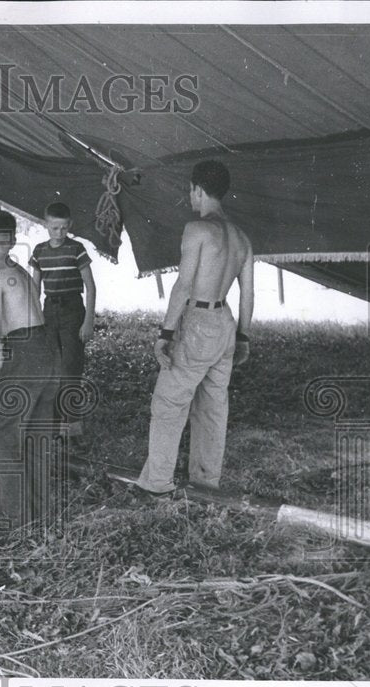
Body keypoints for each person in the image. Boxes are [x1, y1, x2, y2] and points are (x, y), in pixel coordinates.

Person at [136, 160, 254, 495]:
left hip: (199, 321)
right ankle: (206, 482)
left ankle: (157, 483)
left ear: (197, 189)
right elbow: (249, 293)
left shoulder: (198, 230)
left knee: (169, 403)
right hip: (225, 322)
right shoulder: (242, 238)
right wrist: (243, 336)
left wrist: (165, 334)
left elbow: (184, 287)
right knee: (213, 406)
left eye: (191, 191)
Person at [0, 210, 62, 528]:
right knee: (36, 436)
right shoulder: (21, 272)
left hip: (25, 353)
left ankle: (15, 518)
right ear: (12, 240)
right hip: (48, 350)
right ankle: (41, 515)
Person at [29, 202, 97, 439]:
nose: (59, 233)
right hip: (50, 310)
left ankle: (73, 424)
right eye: (54, 228)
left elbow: (90, 286)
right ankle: (55, 422)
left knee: (70, 366)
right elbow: (35, 287)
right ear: (45, 224)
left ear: (70, 226)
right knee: (51, 367)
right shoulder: (39, 251)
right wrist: (35, 318)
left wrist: (88, 321)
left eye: (63, 228)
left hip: (73, 310)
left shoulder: (76, 249)